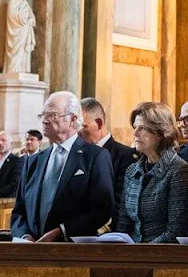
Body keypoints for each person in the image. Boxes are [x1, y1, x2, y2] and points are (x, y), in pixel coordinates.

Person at [11, 91, 114, 242]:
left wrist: (62, 231)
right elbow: (19, 211)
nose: (45, 121)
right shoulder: (33, 161)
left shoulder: (95, 156)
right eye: (43, 115)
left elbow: (102, 209)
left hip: (71, 251)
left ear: (72, 119)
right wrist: (24, 236)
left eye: (52, 115)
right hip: (31, 252)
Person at [116, 102, 188, 243]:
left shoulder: (179, 170)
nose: (135, 133)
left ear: (161, 132)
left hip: (161, 257)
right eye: (135, 127)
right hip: (131, 254)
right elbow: (124, 224)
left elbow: (176, 231)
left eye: (142, 128)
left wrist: (141, 253)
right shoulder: (132, 170)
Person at [80, 97, 137, 229]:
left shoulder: (125, 156)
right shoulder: (77, 155)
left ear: (99, 123)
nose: (77, 133)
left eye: (82, 126)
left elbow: (121, 203)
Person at [4, 0, 36, 73]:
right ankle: (13, 70)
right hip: (16, 32)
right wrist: (23, 22)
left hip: (24, 32)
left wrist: (30, 21)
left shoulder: (25, 3)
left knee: (23, 50)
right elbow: (11, 16)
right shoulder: (13, 1)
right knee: (15, 52)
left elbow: (33, 17)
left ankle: (23, 69)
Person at [0, 130, 24, 197]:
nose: (0, 143)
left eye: (3, 140)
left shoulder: (17, 161)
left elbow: (15, 184)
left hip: (7, 202)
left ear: (11, 144)